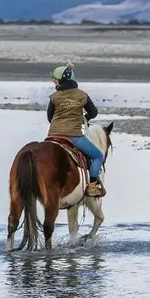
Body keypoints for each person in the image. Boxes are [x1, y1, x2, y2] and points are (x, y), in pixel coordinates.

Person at [46, 62, 105, 197]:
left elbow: (50, 118)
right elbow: (94, 112)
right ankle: (92, 186)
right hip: (74, 136)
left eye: (55, 79)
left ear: (61, 80)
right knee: (98, 156)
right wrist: (85, 117)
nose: (53, 81)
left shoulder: (54, 97)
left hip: (52, 136)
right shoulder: (82, 95)